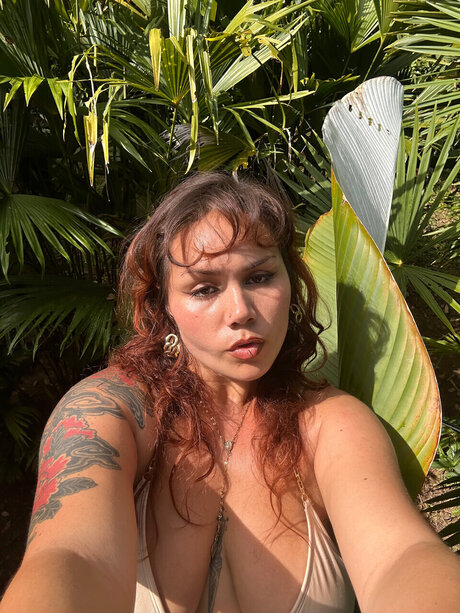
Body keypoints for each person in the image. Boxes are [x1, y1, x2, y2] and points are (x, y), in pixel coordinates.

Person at [1, 172, 459, 613]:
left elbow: (400, 556)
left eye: (259, 278)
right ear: (163, 305)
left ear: (290, 282)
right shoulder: (110, 412)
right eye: (204, 289)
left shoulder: (330, 424)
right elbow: (72, 557)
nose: (241, 311)